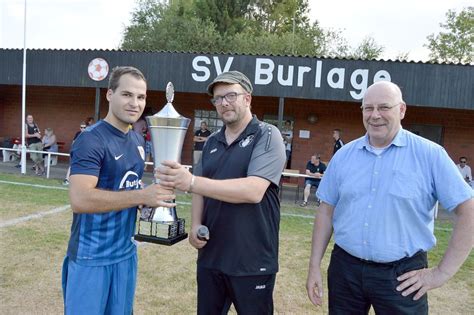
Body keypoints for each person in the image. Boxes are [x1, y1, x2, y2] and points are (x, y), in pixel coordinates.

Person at [306, 81, 473, 314]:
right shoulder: (344, 156)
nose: (375, 115)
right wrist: (314, 266)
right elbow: (326, 211)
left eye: (384, 107)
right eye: (368, 108)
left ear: (402, 109)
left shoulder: (430, 155)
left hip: (403, 276)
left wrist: (441, 273)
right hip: (345, 270)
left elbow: (469, 211)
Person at [155, 71, 286, 314]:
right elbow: (200, 190)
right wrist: (195, 225)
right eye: (217, 99)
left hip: (252, 260)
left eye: (231, 95)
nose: (224, 103)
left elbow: (253, 190)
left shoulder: (268, 135)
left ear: (247, 98)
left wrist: (192, 182)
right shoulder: (211, 142)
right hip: (211, 256)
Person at [62, 66, 175, 314]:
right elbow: (80, 199)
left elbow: (126, 185)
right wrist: (141, 196)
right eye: (127, 95)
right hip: (92, 257)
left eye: (141, 97)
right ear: (110, 94)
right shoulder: (90, 139)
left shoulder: (137, 141)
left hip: (125, 254)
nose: (135, 103)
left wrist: (147, 199)